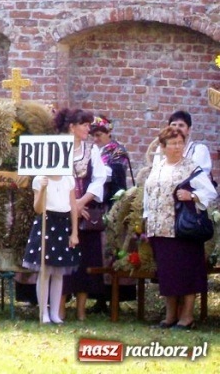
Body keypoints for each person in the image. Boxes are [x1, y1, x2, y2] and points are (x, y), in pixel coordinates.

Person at [144, 126, 217, 330]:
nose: (177, 147)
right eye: (173, 143)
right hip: (160, 229)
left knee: (186, 273)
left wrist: (192, 196)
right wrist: (145, 218)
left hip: (182, 230)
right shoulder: (157, 167)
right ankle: (170, 317)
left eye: (180, 143)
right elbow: (148, 195)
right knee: (167, 275)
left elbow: (210, 192)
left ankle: (187, 317)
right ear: (163, 146)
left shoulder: (191, 168)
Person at [58, 107, 110, 321]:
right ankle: (59, 308)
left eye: (89, 125)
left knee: (84, 261)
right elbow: (52, 178)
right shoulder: (57, 147)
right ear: (72, 127)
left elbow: (99, 179)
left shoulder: (92, 151)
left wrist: (81, 203)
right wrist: (69, 206)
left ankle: (80, 310)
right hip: (59, 210)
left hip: (85, 211)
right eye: (85, 125)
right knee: (60, 261)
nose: (88, 129)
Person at [21, 172, 81, 324]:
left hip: (62, 225)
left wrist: (74, 232)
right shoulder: (39, 179)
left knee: (58, 272)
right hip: (46, 223)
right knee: (45, 271)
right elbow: (38, 208)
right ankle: (43, 313)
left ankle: (55, 313)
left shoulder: (68, 179)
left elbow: (73, 207)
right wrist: (42, 189)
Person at [90, 115, 135, 313]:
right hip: (95, 205)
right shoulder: (92, 150)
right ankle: (98, 298)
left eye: (99, 135)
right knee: (97, 253)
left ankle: (114, 297)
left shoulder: (118, 151)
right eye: (93, 135)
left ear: (109, 132)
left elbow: (117, 177)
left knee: (111, 249)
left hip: (112, 205)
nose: (95, 139)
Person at [154, 110, 213, 176]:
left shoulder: (199, 150)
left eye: (181, 125)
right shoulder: (161, 148)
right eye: (173, 125)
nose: (176, 128)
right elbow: (155, 172)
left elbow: (199, 177)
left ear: (189, 129)